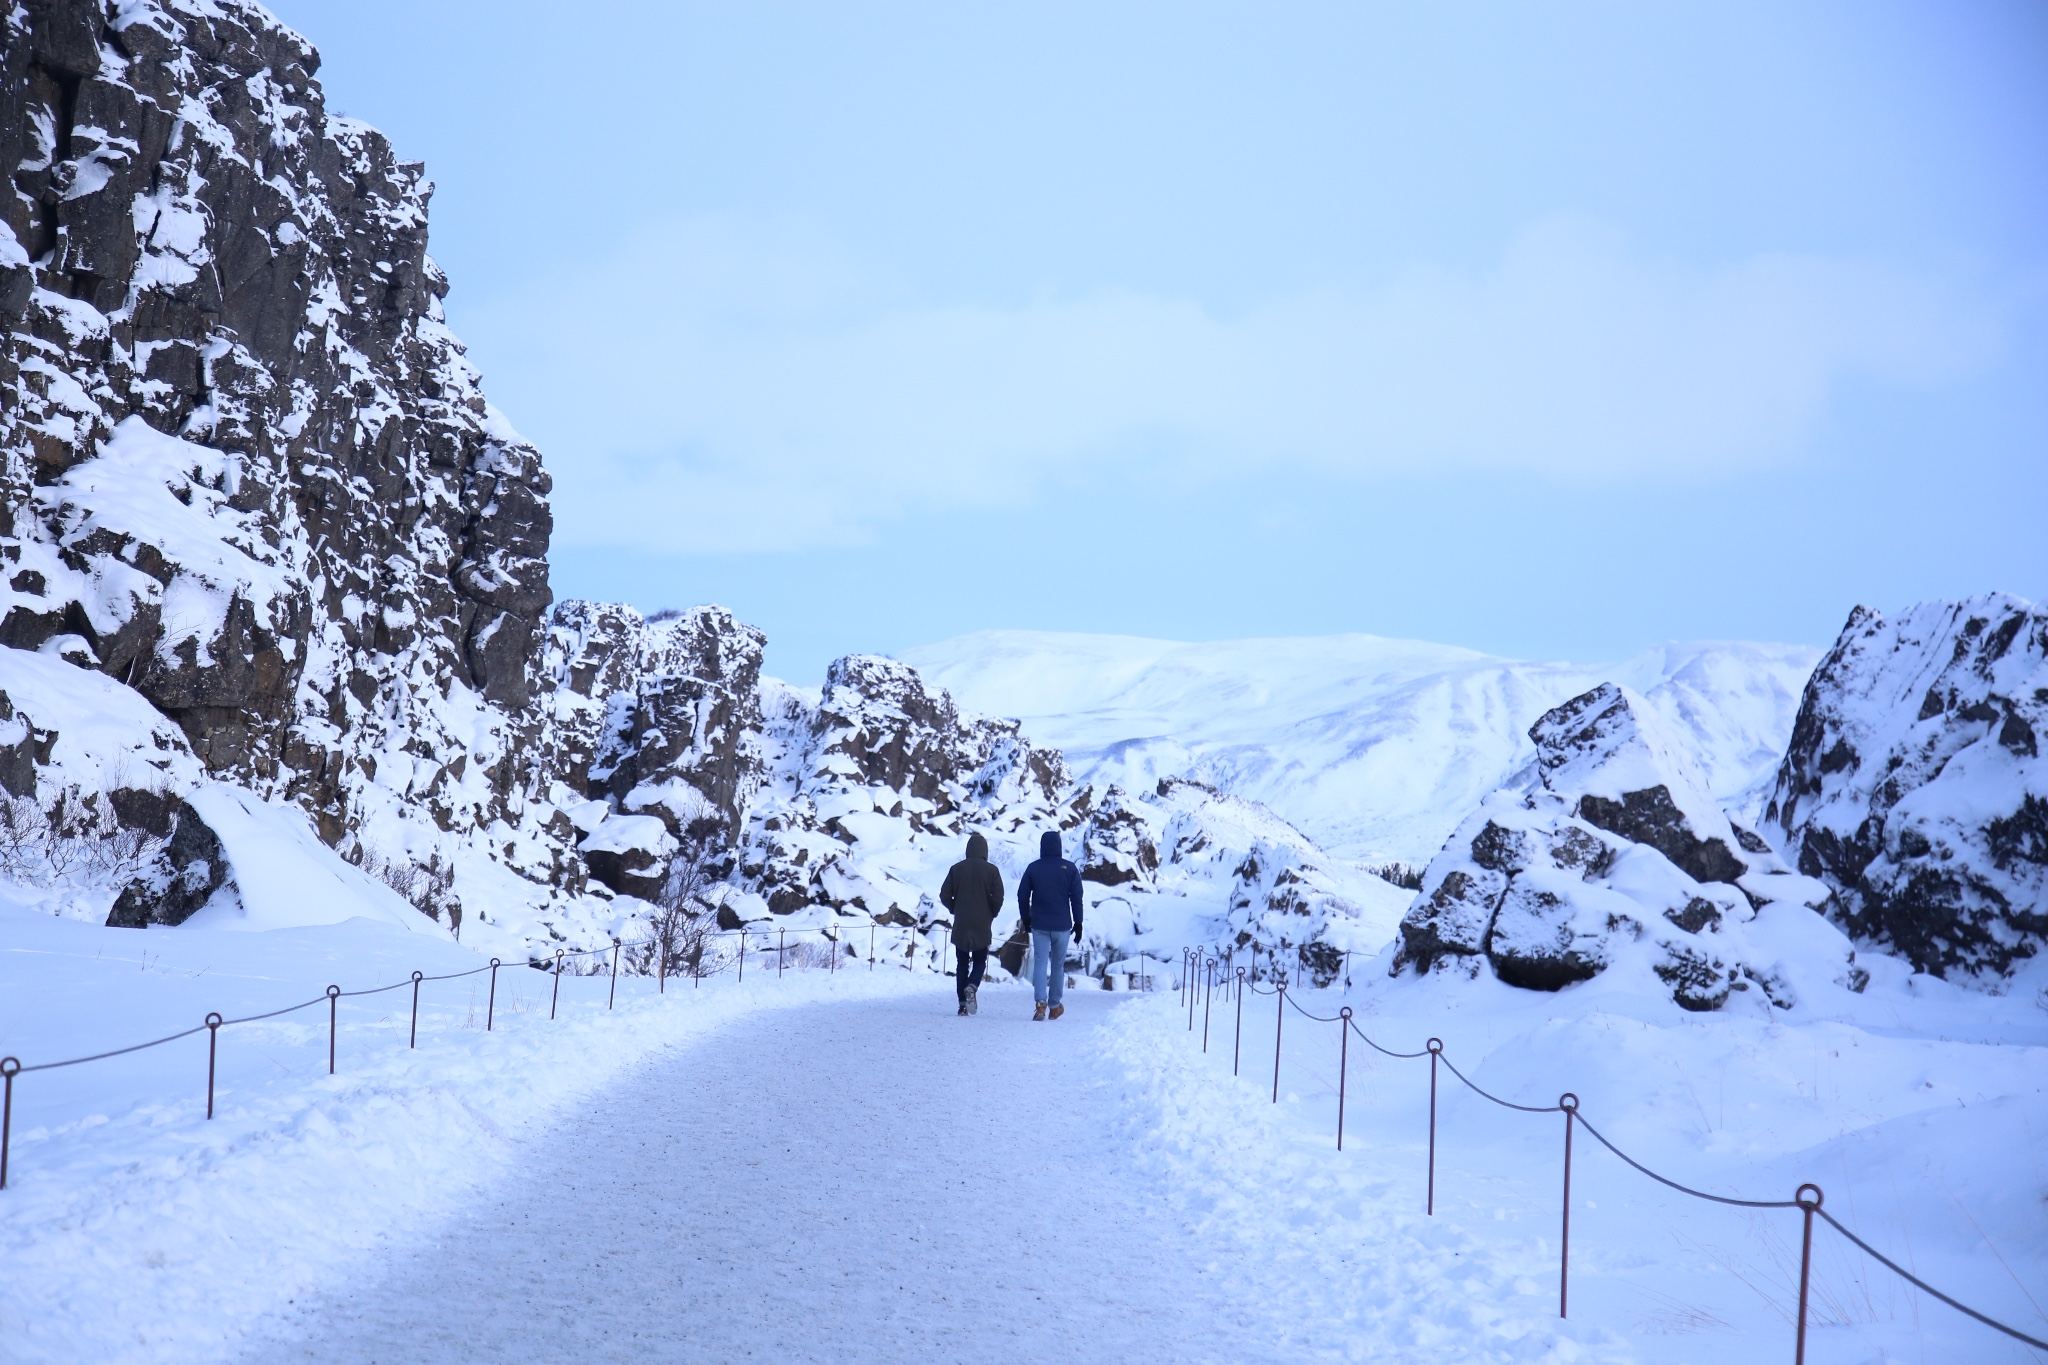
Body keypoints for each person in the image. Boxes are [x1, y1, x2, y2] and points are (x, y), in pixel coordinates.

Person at [1016, 830, 1084, 1021]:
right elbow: (1077, 898)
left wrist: (1026, 918)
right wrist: (1078, 923)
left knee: (1040, 963)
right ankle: (1055, 1006)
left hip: (1039, 925)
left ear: (1042, 846)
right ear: (1059, 846)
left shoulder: (1033, 868)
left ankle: (1040, 1005)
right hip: (1062, 925)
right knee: (1058, 966)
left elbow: (1022, 896)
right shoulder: (1070, 869)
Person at [939, 832, 1004, 1016]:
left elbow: (944, 894)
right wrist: (991, 912)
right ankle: (972, 985)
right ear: (985, 851)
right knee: (980, 961)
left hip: (961, 922)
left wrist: (954, 908)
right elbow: (998, 897)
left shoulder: (956, 869)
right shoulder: (992, 871)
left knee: (961, 963)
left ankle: (962, 1004)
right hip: (982, 923)